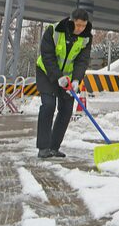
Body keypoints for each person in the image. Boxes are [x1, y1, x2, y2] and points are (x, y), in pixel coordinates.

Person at [35, 9, 92, 159]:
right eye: (78, 25)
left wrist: (76, 80)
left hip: (68, 78)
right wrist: (58, 77)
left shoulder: (86, 38)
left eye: (83, 25)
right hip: (46, 73)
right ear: (71, 21)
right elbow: (47, 56)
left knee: (66, 110)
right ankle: (43, 148)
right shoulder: (54, 31)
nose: (80, 29)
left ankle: (54, 147)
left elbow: (82, 61)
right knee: (48, 105)